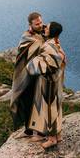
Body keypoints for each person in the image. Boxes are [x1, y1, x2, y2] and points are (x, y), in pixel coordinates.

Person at [25, 21, 65, 149]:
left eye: (46, 27)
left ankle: (52, 139)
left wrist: (33, 64)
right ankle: (58, 135)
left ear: (51, 31)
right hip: (56, 81)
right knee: (56, 107)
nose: (44, 28)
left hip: (49, 83)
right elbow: (61, 59)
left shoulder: (49, 46)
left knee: (49, 109)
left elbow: (49, 64)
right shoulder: (56, 43)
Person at [9, 12, 47, 138]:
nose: (40, 25)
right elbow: (22, 55)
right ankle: (28, 129)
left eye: (41, 22)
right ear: (30, 24)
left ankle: (41, 130)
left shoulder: (46, 32)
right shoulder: (26, 37)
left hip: (42, 73)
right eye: (37, 24)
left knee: (41, 100)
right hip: (27, 74)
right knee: (27, 100)